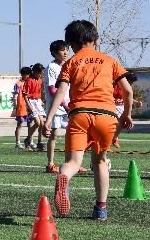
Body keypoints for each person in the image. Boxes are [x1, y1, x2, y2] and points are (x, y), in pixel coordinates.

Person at [43, 20, 133, 221]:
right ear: (95, 39)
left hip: (79, 114)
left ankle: (64, 176)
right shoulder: (109, 60)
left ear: (71, 44)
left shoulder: (71, 63)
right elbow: (127, 91)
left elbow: (62, 91)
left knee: (73, 162)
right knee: (100, 161)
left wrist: (49, 118)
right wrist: (126, 114)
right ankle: (100, 209)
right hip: (106, 115)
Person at [43, 40, 70, 173]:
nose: (65, 52)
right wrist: (64, 104)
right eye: (62, 50)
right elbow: (52, 90)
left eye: (67, 49)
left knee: (72, 135)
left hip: (68, 107)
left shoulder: (67, 66)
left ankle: (70, 164)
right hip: (57, 108)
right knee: (54, 135)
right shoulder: (52, 67)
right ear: (54, 53)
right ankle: (50, 164)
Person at [112, 72, 142, 148]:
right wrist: (113, 100)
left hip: (121, 108)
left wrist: (136, 102)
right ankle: (112, 139)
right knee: (115, 123)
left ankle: (114, 138)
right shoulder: (114, 86)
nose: (131, 84)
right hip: (112, 107)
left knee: (122, 122)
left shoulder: (127, 88)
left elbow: (128, 98)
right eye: (130, 82)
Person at [23, 63, 45, 152]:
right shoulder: (29, 80)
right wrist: (28, 105)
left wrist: (41, 100)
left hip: (38, 101)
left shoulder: (40, 80)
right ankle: (28, 139)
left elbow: (40, 92)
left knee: (42, 123)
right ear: (35, 72)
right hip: (31, 102)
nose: (40, 74)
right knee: (37, 123)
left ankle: (40, 142)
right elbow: (25, 95)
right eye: (39, 72)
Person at [12, 66, 32, 149]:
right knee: (19, 124)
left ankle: (30, 141)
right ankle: (18, 142)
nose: (28, 76)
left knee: (30, 124)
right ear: (23, 75)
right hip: (21, 106)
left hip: (29, 106)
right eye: (26, 75)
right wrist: (16, 105)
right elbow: (15, 95)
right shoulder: (18, 84)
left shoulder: (29, 82)